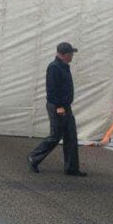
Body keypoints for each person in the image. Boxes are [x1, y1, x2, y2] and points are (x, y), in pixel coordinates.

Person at [28, 42, 87, 177]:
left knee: (71, 136)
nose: (72, 56)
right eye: (71, 54)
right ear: (64, 55)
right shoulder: (54, 67)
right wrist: (60, 108)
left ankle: (71, 168)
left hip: (65, 106)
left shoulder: (64, 66)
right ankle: (34, 157)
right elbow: (52, 90)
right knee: (55, 136)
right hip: (57, 106)